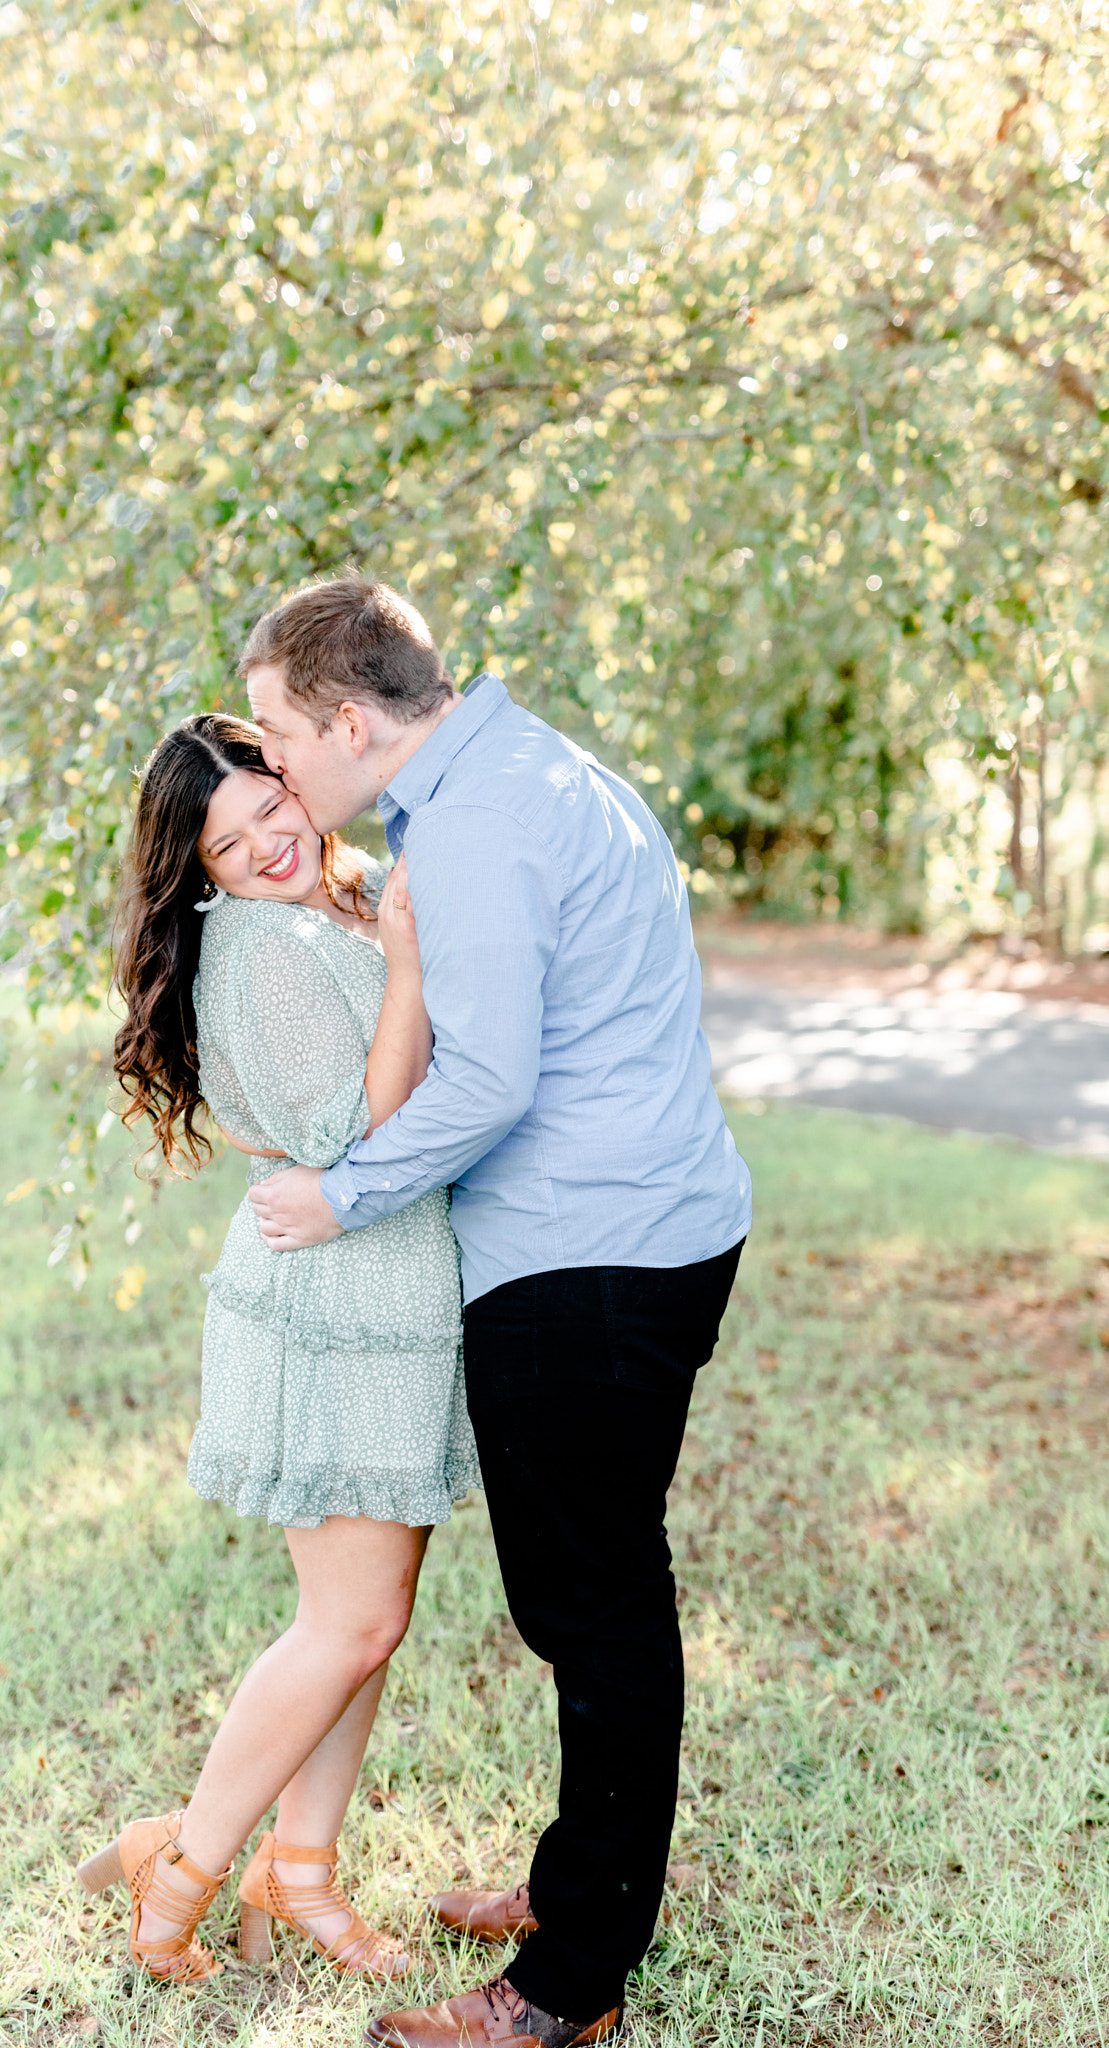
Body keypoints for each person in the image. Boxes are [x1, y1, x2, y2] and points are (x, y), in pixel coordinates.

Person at [241, 577, 753, 2048]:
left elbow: (487, 1083)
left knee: (590, 1609)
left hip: (586, 1260)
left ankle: (565, 1986)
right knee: (588, 1596)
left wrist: (337, 1195)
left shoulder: (473, 826)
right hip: (651, 1226)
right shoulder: (530, 768)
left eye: (280, 733)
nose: (275, 764)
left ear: (350, 718)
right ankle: (575, 1884)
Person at [77, 712, 478, 1988]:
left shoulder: (328, 906)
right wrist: (409, 963)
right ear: (198, 866)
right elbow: (359, 1124)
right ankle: (183, 1863)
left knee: (373, 1616)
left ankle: (299, 1872)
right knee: (348, 1621)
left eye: (270, 804)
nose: (266, 842)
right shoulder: (256, 949)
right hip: (332, 1299)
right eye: (227, 838)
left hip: (388, 1288)